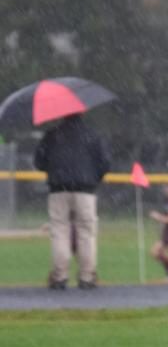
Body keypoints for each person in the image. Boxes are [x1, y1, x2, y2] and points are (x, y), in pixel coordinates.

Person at [34, 113, 111, 289]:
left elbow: (38, 162)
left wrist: (55, 169)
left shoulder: (52, 135)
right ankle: (87, 277)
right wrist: (93, 178)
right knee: (86, 233)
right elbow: (105, 163)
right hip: (85, 190)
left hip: (58, 188)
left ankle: (60, 277)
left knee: (59, 231)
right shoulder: (92, 135)